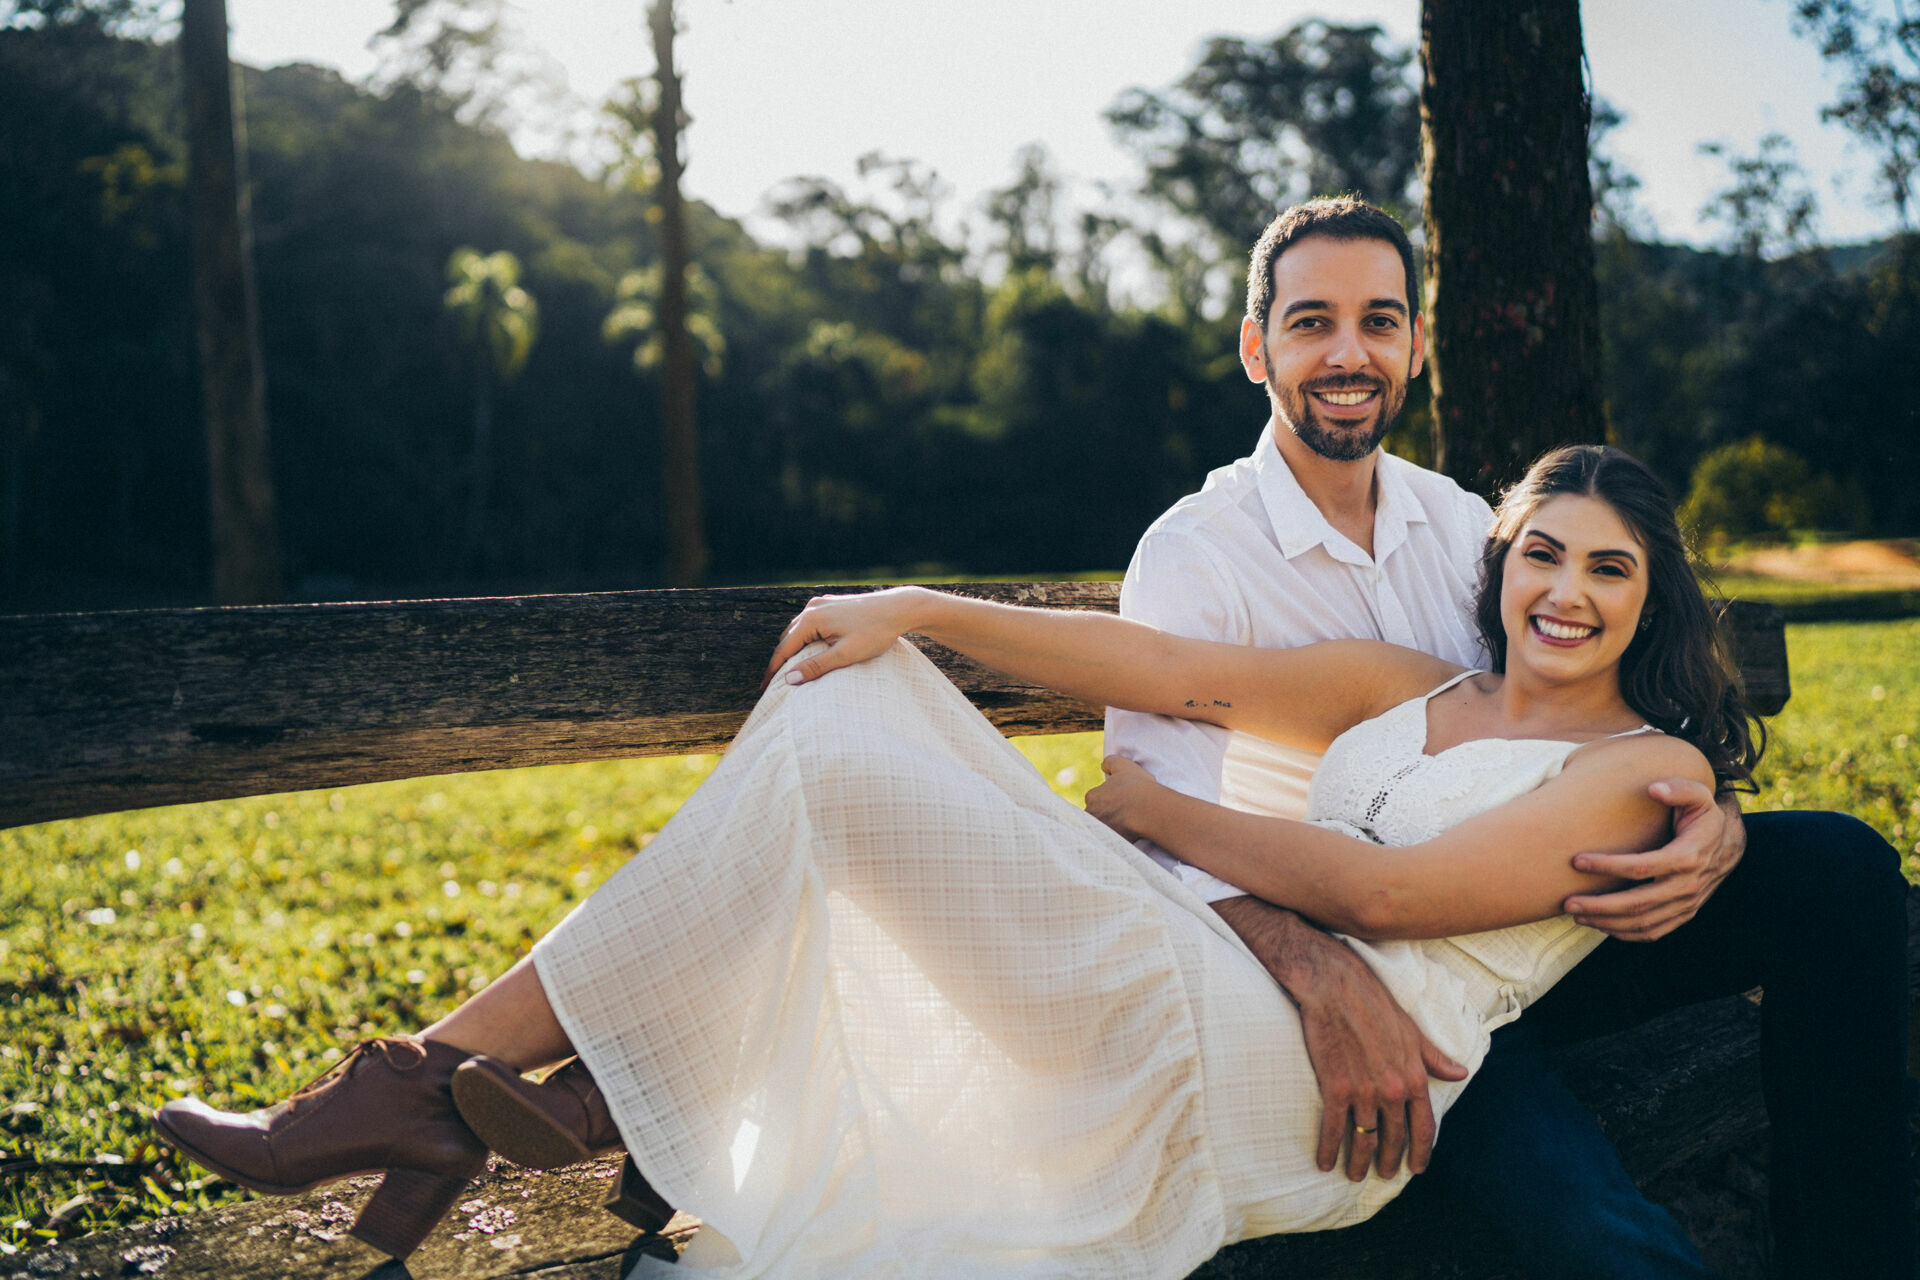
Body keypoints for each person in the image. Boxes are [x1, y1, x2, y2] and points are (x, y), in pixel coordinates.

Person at [155, 442, 1765, 1276]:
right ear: (1501, 561)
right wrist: (917, 610)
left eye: (1607, 570)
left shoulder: (1650, 773)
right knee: (847, 712)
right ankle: (469, 1091)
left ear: (1653, 598)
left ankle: (459, 1097)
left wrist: (1156, 817)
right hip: (1217, 985)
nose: (1566, 592)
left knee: (850, 768)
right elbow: (1163, 667)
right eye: (1541, 553)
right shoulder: (1408, 685)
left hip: (1333, 1100)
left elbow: (1384, 897)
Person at [1106, 196, 1912, 1278]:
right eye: (1311, 323)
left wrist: (1711, 819)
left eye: (1380, 320)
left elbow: (1581, 699)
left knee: (1840, 870)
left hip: (1540, 911)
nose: (1349, 353)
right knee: (1596, 1231)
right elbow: (1151, 825)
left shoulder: (1459, 524)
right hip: (1371, 964)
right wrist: (1321, 975)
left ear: (1416, 348)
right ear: (1257, 349)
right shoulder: (1198, 551)